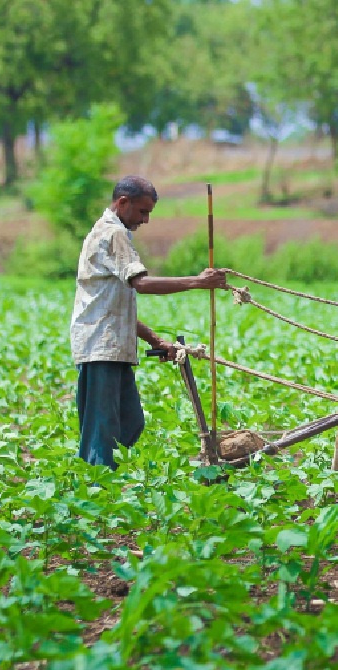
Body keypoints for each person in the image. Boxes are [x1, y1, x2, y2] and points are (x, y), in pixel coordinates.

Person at [70, 175, 228, 469]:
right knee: (102, 434)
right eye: (143, 212)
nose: (145, 220)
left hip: (113, 345)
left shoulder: (114, 232)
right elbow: (141, 284)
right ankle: (96, 491)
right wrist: (198, 281)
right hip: (99, 347)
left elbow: (117, 307)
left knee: (130, 423)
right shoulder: (112, 233)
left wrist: (156, 341)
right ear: (123, 203)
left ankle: (107, 482)